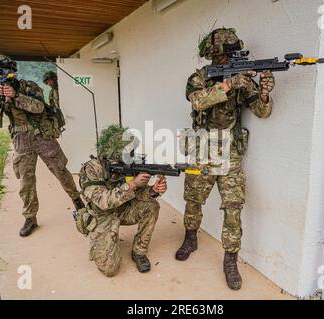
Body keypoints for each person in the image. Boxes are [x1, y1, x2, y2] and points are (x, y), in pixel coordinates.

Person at [176, 28, 276, 290]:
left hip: (230, 154)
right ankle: (190, 238)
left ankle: (230, 259)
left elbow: (261, 111)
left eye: (231, 54)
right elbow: (197, 101)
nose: (227, 59)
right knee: (193, 199)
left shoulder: (243, 79)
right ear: (213, 56)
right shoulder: (199, 77)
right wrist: (229, 84)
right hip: (202, 151)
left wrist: (264, 93)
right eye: (223, 55)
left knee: (233, 206)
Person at [0, 54, 84, 237]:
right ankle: (30, 218)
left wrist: (16, 96)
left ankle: (77, 201)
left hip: (42, 136)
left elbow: (39, 107)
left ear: (10, 70)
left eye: (0, 71)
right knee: (26, 181)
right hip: (21, 139)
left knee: (61, 171)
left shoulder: (28, 86)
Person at [78, 125, 167, 276]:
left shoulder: (130, 164)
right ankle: (107, 238)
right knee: (110, 270)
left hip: (123, 209)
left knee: (152, 207)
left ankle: (138, 252)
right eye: (127, 152)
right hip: (102, 216)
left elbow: (138, 194)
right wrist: (132, 184)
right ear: (113, 152)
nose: (131, 156)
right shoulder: (92, 169)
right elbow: (102, 202)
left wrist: (153, 191)